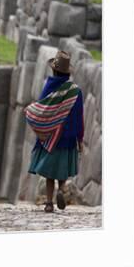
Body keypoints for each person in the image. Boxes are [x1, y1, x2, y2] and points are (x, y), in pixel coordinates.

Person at [25, 50, 84, 213]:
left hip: (51, 137)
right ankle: (62, 188)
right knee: (62, 170)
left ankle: (49, 203)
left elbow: (42, 108)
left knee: (50, 174)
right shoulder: (76, 91)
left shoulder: (49, 86)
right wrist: (80, 139)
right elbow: (80, 117)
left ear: (54, 70)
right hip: (69, 138)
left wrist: (30, 112)